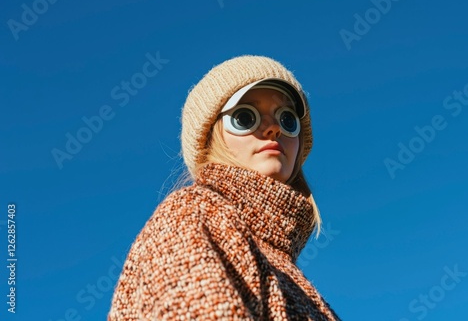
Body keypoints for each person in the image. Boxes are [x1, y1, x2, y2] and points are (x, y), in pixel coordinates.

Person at [108, 55, 341, 320]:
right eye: (245, 117)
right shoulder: (194, 213)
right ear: (211, 138)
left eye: (287, 119)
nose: (274, 128)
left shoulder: (285, 266)